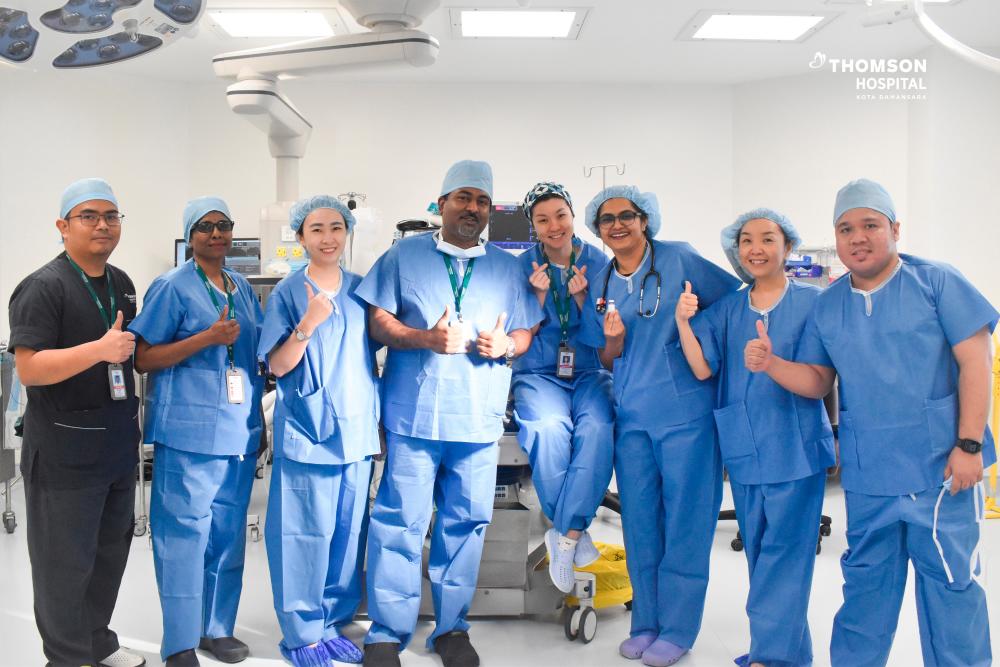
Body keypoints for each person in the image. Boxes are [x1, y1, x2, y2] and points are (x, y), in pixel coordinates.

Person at [746, 179, 995, 667]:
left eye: (870, 225)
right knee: (865, 589)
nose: (857, 237)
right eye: (845, 228)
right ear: (835, 238)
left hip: (939, 470)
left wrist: (969, 445)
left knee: (951, 584)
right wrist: (771, 364)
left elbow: (977, 362)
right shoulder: (829, 303)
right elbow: (819, 381)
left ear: (895, 229)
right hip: (870, 473)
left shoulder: (936, 282)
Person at [357, 160, 542, 667]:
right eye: (463, 197)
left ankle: (452, 629)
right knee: (400, 523)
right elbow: (377, 322)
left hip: (477, 418)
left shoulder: (509, 267)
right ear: (441, 204)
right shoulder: (403, 256)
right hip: (414, 417)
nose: (473, 208)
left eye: (482, 201)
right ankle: (386, 632)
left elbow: (527, 331)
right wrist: (424, 338)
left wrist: (509, 343)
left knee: (465, 523)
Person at [578, 185, 740, 667]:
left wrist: (693, 338)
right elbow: (607, 356)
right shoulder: (603, 280)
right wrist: (615, 340)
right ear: (599, 230)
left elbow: (732, 302)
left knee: (688, 523)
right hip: (632, 416)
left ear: (645, 220)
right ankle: (645, 622)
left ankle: (677, 629)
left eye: (627, 215)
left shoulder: (680, 260)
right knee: (642, 524)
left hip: (686, 412)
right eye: (607, 219)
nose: (617, 225)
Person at [674, 208, 836, 667]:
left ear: (788, 247)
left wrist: (772, 364)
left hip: (795, 448)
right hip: (744, 448)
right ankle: (786, 653)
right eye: (747, 240)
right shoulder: (728, 308)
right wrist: (685, 324)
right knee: (761, 556)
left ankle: (772, 657)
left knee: (786, 559)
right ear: (737, 250)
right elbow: (703, 367)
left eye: (768, 239)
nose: (756, 248)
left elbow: (820, 383)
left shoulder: (813, 301)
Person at [7, 178, 145, 667]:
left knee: (109, 557)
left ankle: (97, 644)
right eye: (89, 216)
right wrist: (99, 351)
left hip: (113, 448)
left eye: (111, 216)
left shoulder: (122, 282)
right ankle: (67, 658)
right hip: (64, 455)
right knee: (64, 566)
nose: (103, 225)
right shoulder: (43, 287)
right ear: (63, 226)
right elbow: (29, 368)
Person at [129, 197, 264, 667]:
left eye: (224, 225)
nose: (216, 234)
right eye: (205, 227)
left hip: (238, 433)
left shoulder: (242, 287)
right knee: (183, 539)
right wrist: (205, 338)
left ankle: (216, 629)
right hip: (187, 433)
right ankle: (181, 642)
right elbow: (143, 357)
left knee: (227, 535)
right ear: (191, 236)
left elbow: (252, 360)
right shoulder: (170, 287)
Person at [257, 195, 380, 667]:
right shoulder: (290, 292)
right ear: (301, 236)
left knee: (347, 534)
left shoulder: (362, 288)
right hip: (308, 432)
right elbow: (279, 365)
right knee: (301, 535)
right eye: (316, 230)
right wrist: (308, 324)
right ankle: (301, 634)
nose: (328, 238)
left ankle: (330, 622)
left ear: (346, 232)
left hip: (355, 430)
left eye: (335, 228)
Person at [511, 181, 614, 592]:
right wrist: (536, 298)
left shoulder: (599, 262)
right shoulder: (521, 267)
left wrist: (583, 299)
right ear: (533, 226)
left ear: (572, 217)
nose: (554, 226)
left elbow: (604, 336)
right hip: (538, 372)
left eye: (561, 216)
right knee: (549, 430)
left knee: (598, 429)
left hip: (589, 369)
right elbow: (517, 331)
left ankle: (565, 534)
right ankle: (575, 530)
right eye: (543, 219)